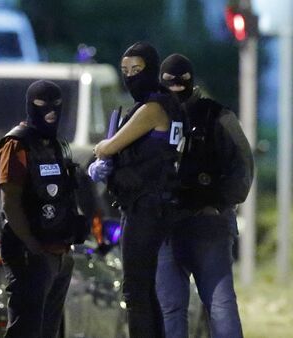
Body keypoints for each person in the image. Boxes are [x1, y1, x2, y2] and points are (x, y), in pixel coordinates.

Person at [90, 42, 185, 338]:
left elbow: (109, 146)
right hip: (156, 205)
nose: (130, 77)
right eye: (125, 71)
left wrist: (101, 152)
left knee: (136, 291)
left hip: (145, 206)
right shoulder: (170, 105)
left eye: (137, 70)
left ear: (152, 70)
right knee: (146, 290)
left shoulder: (153, 108)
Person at [155, 53, 253, 338]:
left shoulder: (150, 115)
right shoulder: (218, 115)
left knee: (173, 310)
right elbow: (244, 166)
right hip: (204, 224)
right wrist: (221, 204)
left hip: (175, 224)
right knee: (219, 304)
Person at [0, 80, 87, 338]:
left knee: (47, 330)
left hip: (58, 252)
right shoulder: (17, 145)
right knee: (26, 329)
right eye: (42, 104)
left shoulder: (56, 145)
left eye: (56, 104)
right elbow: (9, 201)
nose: (51, 111)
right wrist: (32, 246)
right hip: (30, 252)